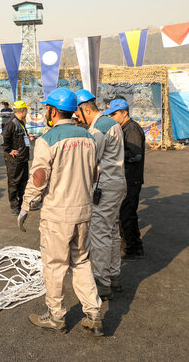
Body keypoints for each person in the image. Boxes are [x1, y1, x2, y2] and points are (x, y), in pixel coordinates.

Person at [17, 88, 103, 337]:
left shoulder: (48, 139)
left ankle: (56, 316)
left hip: (57, 215)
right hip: (84, 212)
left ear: (53, 111)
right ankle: (94, 314)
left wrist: (25, 206)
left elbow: (39, 176)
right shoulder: (89, 137)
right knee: (81, 261)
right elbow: (95, 174)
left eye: (47, 108)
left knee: (54, 266)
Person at [75, 90, 126, 299]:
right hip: (116, 184)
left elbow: (90, 158)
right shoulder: (110, 123)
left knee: (100, 234)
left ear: (86, 109)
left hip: (106, 187)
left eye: (78, 113)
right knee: (112, 230)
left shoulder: (99, 128)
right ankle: (114, 276)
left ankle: (102, 281)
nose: (77, 117)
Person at [104, 99, 145, 260]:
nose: (112, 117)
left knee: (127, 215)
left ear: (124, 113)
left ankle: (133, 248)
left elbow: (135, 155)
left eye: (114, 114)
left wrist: (112, 154)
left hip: (131, 179)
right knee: (124, 214)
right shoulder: (123, 128)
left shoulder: (132, 129)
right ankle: (131, 246)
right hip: (126, 177)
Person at [1, 100, 31, 215]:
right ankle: (14, 206)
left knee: (23, 182)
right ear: (22, 111)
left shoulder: (20, 122)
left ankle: (22, 203)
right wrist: (9, 150)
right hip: (14, 161)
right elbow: (3, 139)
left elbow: (20, 137)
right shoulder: (12, 123)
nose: (27, 112)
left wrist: (28, 137)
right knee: (14, 183)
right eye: (26, 110)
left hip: (23, 158)